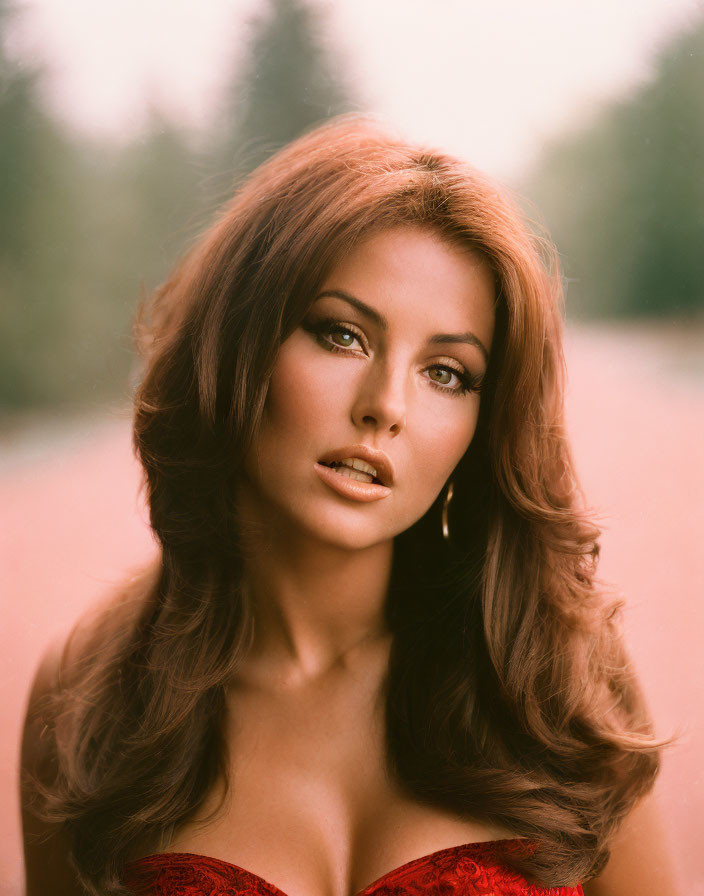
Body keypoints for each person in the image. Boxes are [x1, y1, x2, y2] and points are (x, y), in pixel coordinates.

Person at [20, 115, 682, 896]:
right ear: (240, 341)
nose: (385, 406)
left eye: (447, 373)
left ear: (482, 422)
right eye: (341, 335)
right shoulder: (92, 692)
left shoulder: (557, 680)